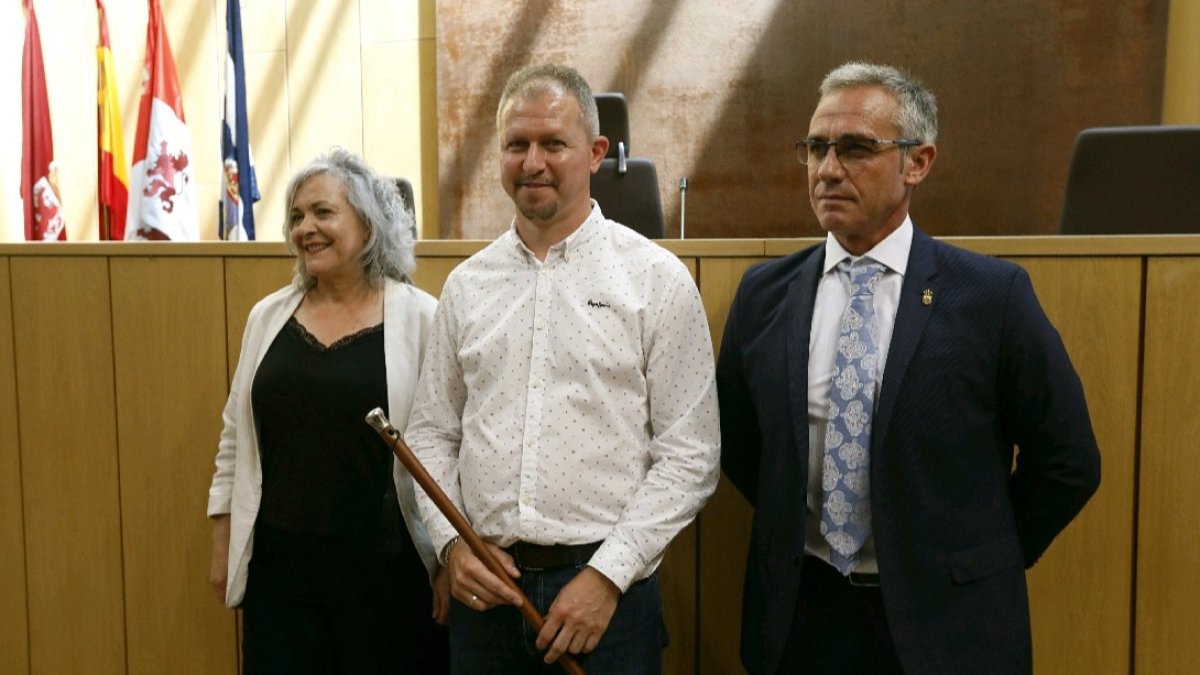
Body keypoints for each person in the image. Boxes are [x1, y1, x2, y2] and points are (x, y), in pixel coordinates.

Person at [717, 62, 1101, 675]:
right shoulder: (766, 294)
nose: (827, 170)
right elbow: (741, 446)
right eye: (816, 148)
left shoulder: (990, 297)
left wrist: (981, 561)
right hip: (802, 619)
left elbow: (1069, 459)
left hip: (950, 628)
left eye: (855, 148)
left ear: (917, 163)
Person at [404, 64, 721, 673]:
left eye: (554, 143)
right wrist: (451, 547)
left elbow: (692, 456)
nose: (532, 162)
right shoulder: (467, 286)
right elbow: (431, 435)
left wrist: (607, 576)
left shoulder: (654, 280)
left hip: (608, 602)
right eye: (517, 144)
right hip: (487, 595)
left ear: (597, 152)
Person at [206, 148, 449, 673]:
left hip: (388, 573)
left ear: (368, 221)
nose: (305, 229)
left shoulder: (422, 319)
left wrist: (447, 559)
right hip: (281, 573)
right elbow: (235, 437)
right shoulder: (267, 316)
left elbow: (444, 450)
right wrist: (223, 538)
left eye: (323, 212)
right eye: (296, 216)